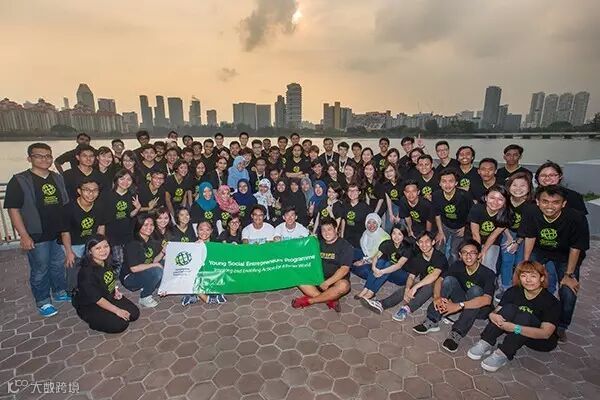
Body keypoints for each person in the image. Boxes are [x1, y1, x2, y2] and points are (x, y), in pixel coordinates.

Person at [4, 143, 70, 317]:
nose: (44, 159)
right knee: (40, 268)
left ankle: (59, 291)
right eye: (39, 156)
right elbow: (13, 209)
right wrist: (24, 235)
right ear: (29, 158)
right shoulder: (20, 180)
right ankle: (43, 301)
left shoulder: (57, 178)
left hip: (57, 232)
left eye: (48, 156)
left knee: (58, 264)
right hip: (36, 233)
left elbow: (64, 204)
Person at [519, 185, 589, 342]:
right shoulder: (531, 211)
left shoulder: (576, 218)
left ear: (563, 203)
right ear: (538, 202)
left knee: (568, 291)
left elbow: (576, 247)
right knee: (527, 279)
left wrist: (569, 274)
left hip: (565, 255)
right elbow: (530, 236)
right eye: (545, 201)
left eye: (555, 202)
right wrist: (526, 262)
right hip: (540, 250)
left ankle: (561, 326)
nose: (549, 206)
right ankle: (529, 314)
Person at [468, 261, 560, 372]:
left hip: (538, 340)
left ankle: (503, 353)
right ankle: (486, 342)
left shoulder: (551, 302)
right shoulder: (514, 291)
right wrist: (492, 315)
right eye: (524, 276)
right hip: (515, 330)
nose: (528, 280)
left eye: (533, 276)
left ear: (542, 278)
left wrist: (514, 328)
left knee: (525, 316)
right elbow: (497, 310)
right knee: (509, 308)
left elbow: (545, 333)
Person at [413, 240, 495, 353]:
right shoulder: (458, 265)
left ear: (479, 255)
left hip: (479, 308)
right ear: (460, 255)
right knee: (448, 280)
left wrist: (459, 305)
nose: (468, 256)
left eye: (472, 252)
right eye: (464, 252)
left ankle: (457, 333)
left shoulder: (488, 273)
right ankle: (432, 319)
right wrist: (437, 297)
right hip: (462, 299)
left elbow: (487, 300)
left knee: (476, 290)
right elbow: (440, 280)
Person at [361, 231, 448, 321]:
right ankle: (382, 304)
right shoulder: (418, 258)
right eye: (421, 242)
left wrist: (415, 288)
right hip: (424, 284)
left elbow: (434, 276)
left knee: (428, 285)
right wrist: (407, 289)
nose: (424, 245)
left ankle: (406, 309)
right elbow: (411, 276)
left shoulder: (439, 257)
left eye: (427, 241)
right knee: (410, 286)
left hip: (442, 287)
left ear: (433, 242)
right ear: (417, 244)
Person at [73, 235, 139, 333]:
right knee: (120, 324)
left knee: (134, 314)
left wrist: (115, 290)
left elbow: (110, 279)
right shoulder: (86, 273)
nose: (103, 251)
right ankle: (93, 320)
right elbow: (97, 299)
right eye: (98, 248)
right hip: (91, 304)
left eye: (106, 246)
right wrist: (117, 310)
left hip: (108, 296)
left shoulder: (107, 261)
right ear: (90, 251)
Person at [292, 217, 352, 312]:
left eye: (329, 229)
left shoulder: (345, 246)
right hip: (318, 279)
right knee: (297, 276)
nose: (326, 233)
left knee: (344, 286)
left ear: (336, 229)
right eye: (323, 230)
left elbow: (344, 269)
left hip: (335, 281)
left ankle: (310, 301)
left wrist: (327, 283)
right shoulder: (317, 243)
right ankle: (330, 299)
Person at [60, 179, 107, 293]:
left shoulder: (100, 206)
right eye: (87, 190)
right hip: (73, 243)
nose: (91, 193)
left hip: (89, 241)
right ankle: (72, 290)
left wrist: (100, 245)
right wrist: (69, 252)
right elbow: (65, 232)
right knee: (73, 265)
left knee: (95, 263)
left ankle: (93, 285)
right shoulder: (68, 208)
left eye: (95, 190)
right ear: (79, 191)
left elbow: (101, 226)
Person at [353, 219, 411, 300]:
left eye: (399, 234)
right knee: (381, 261)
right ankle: (365, 289)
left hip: (402, 275)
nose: (396, 237)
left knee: (388, 264)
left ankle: (371, 292)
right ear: (391, 234)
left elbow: (398, 265)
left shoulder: (407, 248)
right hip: (387, 271)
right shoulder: (387, 243)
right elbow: (376, 256)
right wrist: (374, 267)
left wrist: (381, 272)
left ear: (404, 236)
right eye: (394, 233)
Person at [498, 172, 533, 296]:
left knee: (520, 262)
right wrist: (509, 238)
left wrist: (517, 242)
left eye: (522, 185)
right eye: (514, 185)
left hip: (525, 236)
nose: (518, 189)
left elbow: (528, 227)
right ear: (509, 186)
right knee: (507, 260)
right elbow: (501, 221)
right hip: (507, 232)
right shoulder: (505, 201)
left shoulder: (531, 205)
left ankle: (518, 287)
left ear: (529, 188)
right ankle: (505, 287)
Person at [432, 168, 473, 264]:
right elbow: (437, 215)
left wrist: (465, 227)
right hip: (445, 225)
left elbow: (472, 214)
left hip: (461, 227)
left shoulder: (464, 195)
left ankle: (451, 270)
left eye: (451, 181)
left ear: (456, 183)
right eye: (444, 181)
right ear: (440, 183)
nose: (447, 185)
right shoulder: (436, 195)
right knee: (438, 247)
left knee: (454, 253)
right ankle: (439, 268)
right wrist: (440, 231)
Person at [122, 216, 164, 308]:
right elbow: (134, 268)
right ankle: (145, 296)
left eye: (151, 225)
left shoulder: (151, 240)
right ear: (139, 226)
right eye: (145, 225)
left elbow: (153, 260)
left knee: (163, 265)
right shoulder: (132, 243)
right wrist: (155, 265)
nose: (149, 227)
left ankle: (151, 284)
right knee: (157, 271)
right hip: (130, 277)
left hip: (144, 271)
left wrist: (162, 252)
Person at [181, 222, 226, 306]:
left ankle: (197, 295)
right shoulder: (191, 244)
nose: (204, 232)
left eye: (207, 230)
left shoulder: (217, 243)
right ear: (197, 231)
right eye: (201, 229)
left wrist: (233, 247)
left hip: (211, 274)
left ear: (211, 231)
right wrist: (194, 248)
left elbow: (223, 260)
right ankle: (205, 298)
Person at [467, 185, 511, 270]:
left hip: (492, 241)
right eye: (492, 198)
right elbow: (475, 234)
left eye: (500, 199)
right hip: (473, 239)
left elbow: (493, 236)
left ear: (505, 202)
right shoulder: (477, 209)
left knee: (488, 262)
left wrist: (483, 251)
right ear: (486, 198)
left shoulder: (506, 215)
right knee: (471, 259)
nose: (495, 202)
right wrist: (478, 252)